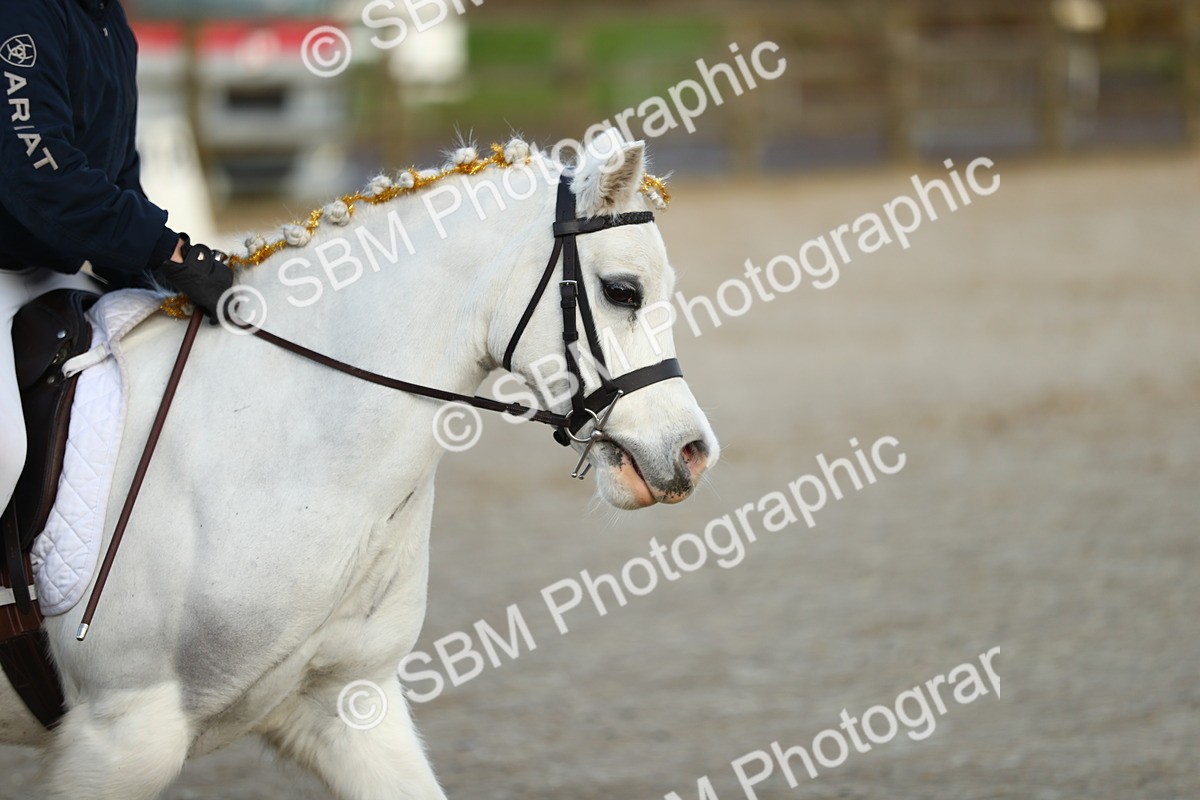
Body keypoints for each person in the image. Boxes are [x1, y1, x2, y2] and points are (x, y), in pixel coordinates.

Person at [0, 0, 231, 515]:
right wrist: (164, 250)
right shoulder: (20, 11)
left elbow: (118, 174)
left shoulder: (112, 23)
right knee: (3, 452)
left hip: (50, 268)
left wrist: (158, 275)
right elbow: (39, 171)